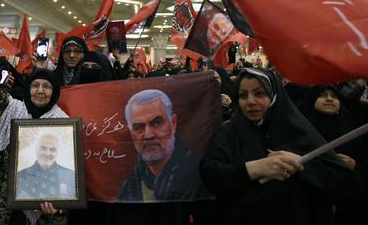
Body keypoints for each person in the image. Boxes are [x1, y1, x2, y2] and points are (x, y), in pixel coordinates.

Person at [199, 68, 356, 225]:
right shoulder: (229, 132)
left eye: (259, 93)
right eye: (243, 95)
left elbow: (342, 185)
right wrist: (253, 169)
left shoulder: (298, 131)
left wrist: (303, 165)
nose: (251, 101)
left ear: (275, 95)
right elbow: (211, 174)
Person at [0, 43, 68, 224]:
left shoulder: (63, 122)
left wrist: (61, 202)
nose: (40, 90)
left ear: (55, 91)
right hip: (8, 203)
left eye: (46, 86)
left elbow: (66, 169)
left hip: (45, 204)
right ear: (28, 88)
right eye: (35, 85)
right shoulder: (14, 107)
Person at [118, 89, 208, 201]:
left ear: (173, 123)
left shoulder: (198, 177)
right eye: (138, 127)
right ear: (130, 133)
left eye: (156, 123)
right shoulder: (130, 186)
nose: (148, 135)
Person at [300, 85, 368, 224]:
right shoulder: (301, 131)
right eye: (323, 95)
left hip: (348, 205)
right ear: (312, 99)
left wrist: (355, 165)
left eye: (334, 96)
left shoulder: (351, 128)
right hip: (310, 202)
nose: (329, 99)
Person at [16, 133, 76, 199]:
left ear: (57, 152)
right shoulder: (20, 176)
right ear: (36, 149)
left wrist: (61, 209)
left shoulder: (70, 175)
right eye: (43, 148)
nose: (47, 153)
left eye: (52, 149)